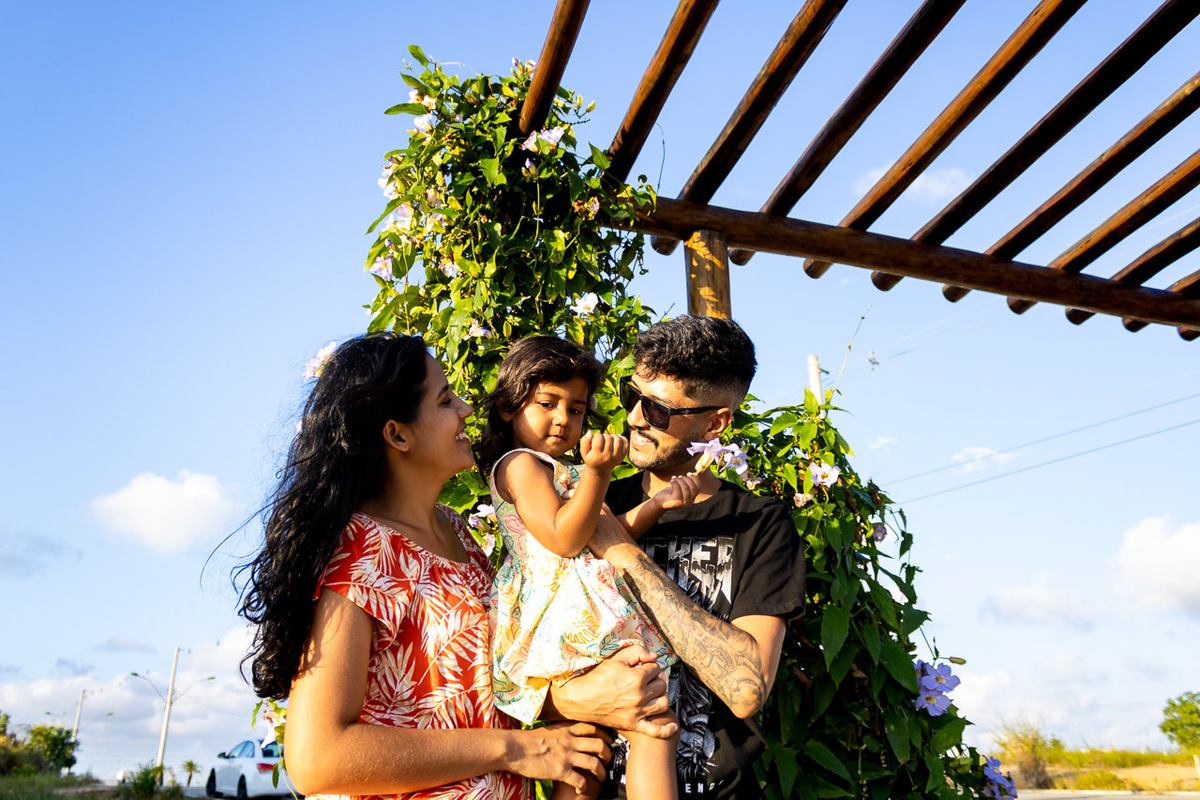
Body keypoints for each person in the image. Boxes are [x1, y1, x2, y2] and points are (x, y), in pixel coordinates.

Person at [237, 332, 613, 800]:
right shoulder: (360, 547)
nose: (466, 410)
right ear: (397, 433)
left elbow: (483, 691)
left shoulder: (459, 535)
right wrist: (514, 747)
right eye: (445, 401)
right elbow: (318, 759)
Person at [548, 316, 806, 799]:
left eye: (659, 410)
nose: (635, 419)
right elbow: (523, 670)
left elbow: (746, 687)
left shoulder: (761, 524)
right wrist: (570, 697)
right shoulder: (588, 506)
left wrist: (622, 550)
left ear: (715, 422)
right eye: (632, 396)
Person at [476, 335, 701, 800]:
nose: (562, 418)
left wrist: (655, 505)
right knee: (654, 723)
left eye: (576, 409)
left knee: (585, 753)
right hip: (567, 623)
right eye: (547, 403)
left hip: (576, 620)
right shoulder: (520, 465)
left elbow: (603, 538)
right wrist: (597, 474)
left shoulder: (557, 470)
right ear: (507, 408)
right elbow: (564, 537)